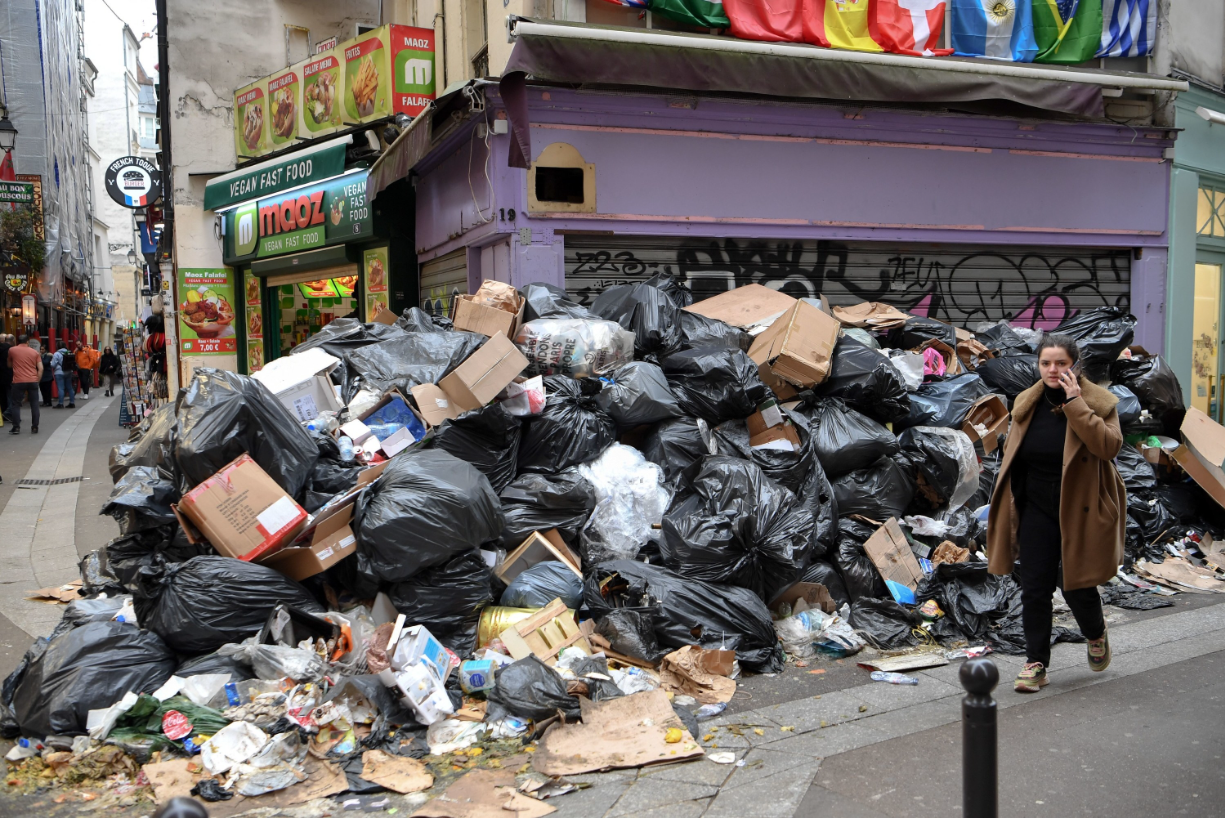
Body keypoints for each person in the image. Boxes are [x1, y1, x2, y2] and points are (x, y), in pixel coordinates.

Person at [986, 333, 1125, 693]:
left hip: (1079, 507)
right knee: (1035, 588)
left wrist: (1076, 403)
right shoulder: (1026, 404)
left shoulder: (1098, 401)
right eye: (1046, 363)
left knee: (1076, 583)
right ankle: (1036, 664)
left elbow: (1108, 447)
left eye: (1061, 363)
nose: (1052, 370)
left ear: (1075, 366)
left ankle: (1095, 633)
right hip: (1036, 507)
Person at [8, 335, 42, 435]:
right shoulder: (35, 352)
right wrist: (37, 381)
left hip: (18, 381)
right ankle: (35, 427)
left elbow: (9, 365)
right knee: (34, 404)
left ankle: (16, 427)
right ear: (27, 342)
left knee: (16, 404)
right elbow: (41, 369)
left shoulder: (12, 350)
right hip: (32, 380)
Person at [0, 333, 13, 426]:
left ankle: (4, 412)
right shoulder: (10, 350)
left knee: (2, 396)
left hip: (1, 376)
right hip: (9, 375)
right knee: (11, 396)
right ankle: (8, 413)